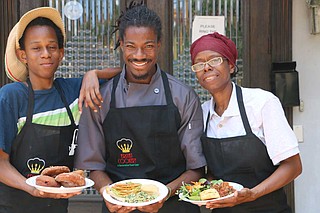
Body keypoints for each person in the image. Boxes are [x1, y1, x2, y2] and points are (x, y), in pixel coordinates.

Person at [74, 4, 206, 213]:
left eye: (148, 46)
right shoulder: (101, 97)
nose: (139, 55)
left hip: (173, 205)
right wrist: (109, 193)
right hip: (119, 206)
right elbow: (94, 166)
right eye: (131, 46)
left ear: (159, 45)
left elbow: (196, 168)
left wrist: (163, 194)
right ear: (121, 45)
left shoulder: (183, 96)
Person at [0, 7, 119, 213]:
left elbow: (128, 72)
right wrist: (30, 187)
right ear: (23, 55)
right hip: (13, 206)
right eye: (36, 48)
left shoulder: (73, 91)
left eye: (52, 47)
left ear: (61, 53)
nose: (46, 54)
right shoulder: (11, 97)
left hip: (57, 206)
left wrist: (94, 73)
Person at [189, 32, 302, 212]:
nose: (206, 67)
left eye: (214, 60)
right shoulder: (201, 114)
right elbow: (211, 171)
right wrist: (210, 188)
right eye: (199, 63)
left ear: (231, 65)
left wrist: (253, 194)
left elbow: (293, 166)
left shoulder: (261, 103)